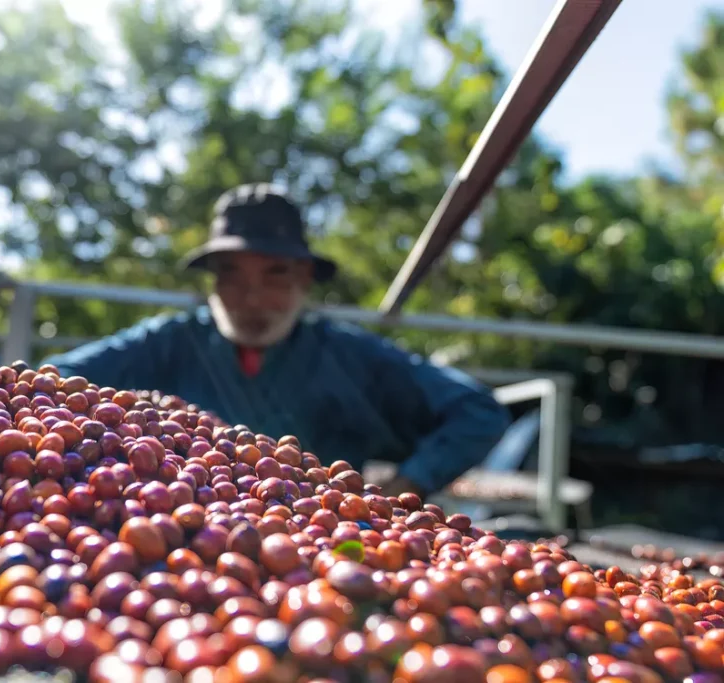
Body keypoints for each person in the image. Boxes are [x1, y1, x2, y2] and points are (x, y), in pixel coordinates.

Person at [43, 184, 511, 498]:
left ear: (305, 278)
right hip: (180, 530)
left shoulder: (352, 356)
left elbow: (478, 411)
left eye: (274, 276)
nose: (252, 299)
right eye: (231, 275)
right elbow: (52, 380)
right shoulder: (170, 341)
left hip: (317, 546)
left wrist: (410, 481)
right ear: (211, 282)